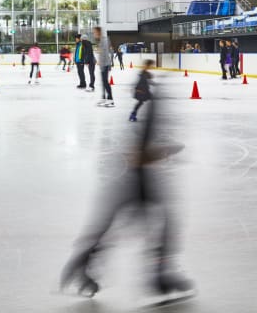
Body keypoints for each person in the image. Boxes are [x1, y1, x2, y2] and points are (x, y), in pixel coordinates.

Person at [59, 78, 194, 302]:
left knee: (125, 229)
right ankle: (158, 278)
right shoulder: (153, 116)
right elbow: (141, 153)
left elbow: (140, 150)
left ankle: (83, 269)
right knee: (161, 226)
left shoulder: (150, 117)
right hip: (138, 182)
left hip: (134, 182)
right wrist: (167, 150)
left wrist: (165, 150)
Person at [93, 27, 114, 107]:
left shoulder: (104, 40)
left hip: (105, 64)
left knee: (105, 82)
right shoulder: (101, 41)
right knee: (103, 82)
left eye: (94, 32)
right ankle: (104, 98)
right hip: (103, 64)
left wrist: (104, 63)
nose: (94, 34)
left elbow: (105, 53)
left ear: (98, 32)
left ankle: (110, 99)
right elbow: (102, 52)